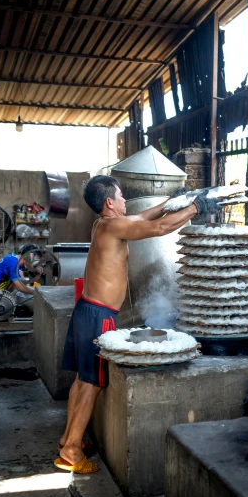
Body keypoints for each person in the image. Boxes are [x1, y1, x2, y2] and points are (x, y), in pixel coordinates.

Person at [55, 176, 221, 475]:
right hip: (99, 315)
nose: (124, 201)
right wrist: (196, 208)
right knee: (92, 384)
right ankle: (71, 450)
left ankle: (68, 438)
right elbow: (158, 228)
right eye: (121, 197)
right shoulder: (115, 226)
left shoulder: (102, 225)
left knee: (82, 380)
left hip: (85, 310)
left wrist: (173, 203)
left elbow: (145, 216)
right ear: (109, 202)